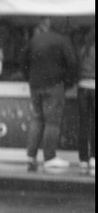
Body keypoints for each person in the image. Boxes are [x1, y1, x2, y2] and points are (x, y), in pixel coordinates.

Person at [21, 17, 78, 172]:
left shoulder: (35, 40)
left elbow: (23, 60)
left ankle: (30, 156)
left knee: (37, 119)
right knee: (52, 122)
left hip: (35, 85)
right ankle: (49, 157)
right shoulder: (63, 40)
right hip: (54, 85)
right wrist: (68, 83)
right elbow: (72, 63)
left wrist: (29, 78)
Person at [76, 27, 95, 176]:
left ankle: (83, 158)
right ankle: (94, 157)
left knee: (83, 124)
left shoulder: (83, 49)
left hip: (82, 88)